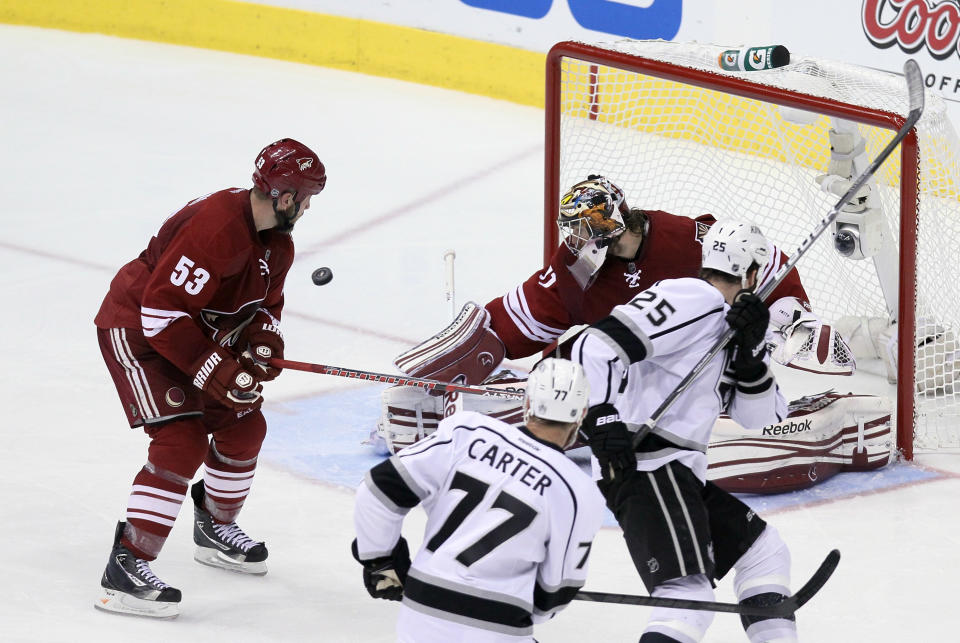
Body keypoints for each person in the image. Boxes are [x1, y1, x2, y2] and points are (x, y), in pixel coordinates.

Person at [376, 175, 853, 455]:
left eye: (588, 234)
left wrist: (788, 319)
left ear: (618, 225)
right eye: (574, 235)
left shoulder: (687, 239)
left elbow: (764, 263)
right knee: (559, 375)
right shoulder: (579, 266)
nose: (579, 247)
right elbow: (520, 319)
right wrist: (461, 354)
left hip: (694, 378)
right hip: (625, 377)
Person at [93, 138, 326, 618]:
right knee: (181, 440)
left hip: (195, 334)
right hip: (137, 328)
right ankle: (126, 566)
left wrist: (263, 343)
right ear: (285, 197)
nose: (306, 208)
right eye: (305, 199)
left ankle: (214, 528)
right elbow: (160, 311)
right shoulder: (217, 227)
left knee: (245, 427)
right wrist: (213, 365)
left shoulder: (277, 243)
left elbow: (266, 307)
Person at [573, 220, 800, 642]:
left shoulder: (733, 324)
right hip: (649, 463)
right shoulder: (692, 297)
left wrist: (750, 357)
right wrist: (601, 416)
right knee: (686, 597)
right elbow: (594, 345)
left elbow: (761, 418)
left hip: (675, 471)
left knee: (764, 552)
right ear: (752, 272)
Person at [352, 358, 605, 642]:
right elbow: (553, 595)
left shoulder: (466, 432)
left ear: (527, 402)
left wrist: (381, 562)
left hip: (421, 616)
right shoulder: (578, 491)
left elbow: (377, 491)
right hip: (499, 628)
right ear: (581, 414)